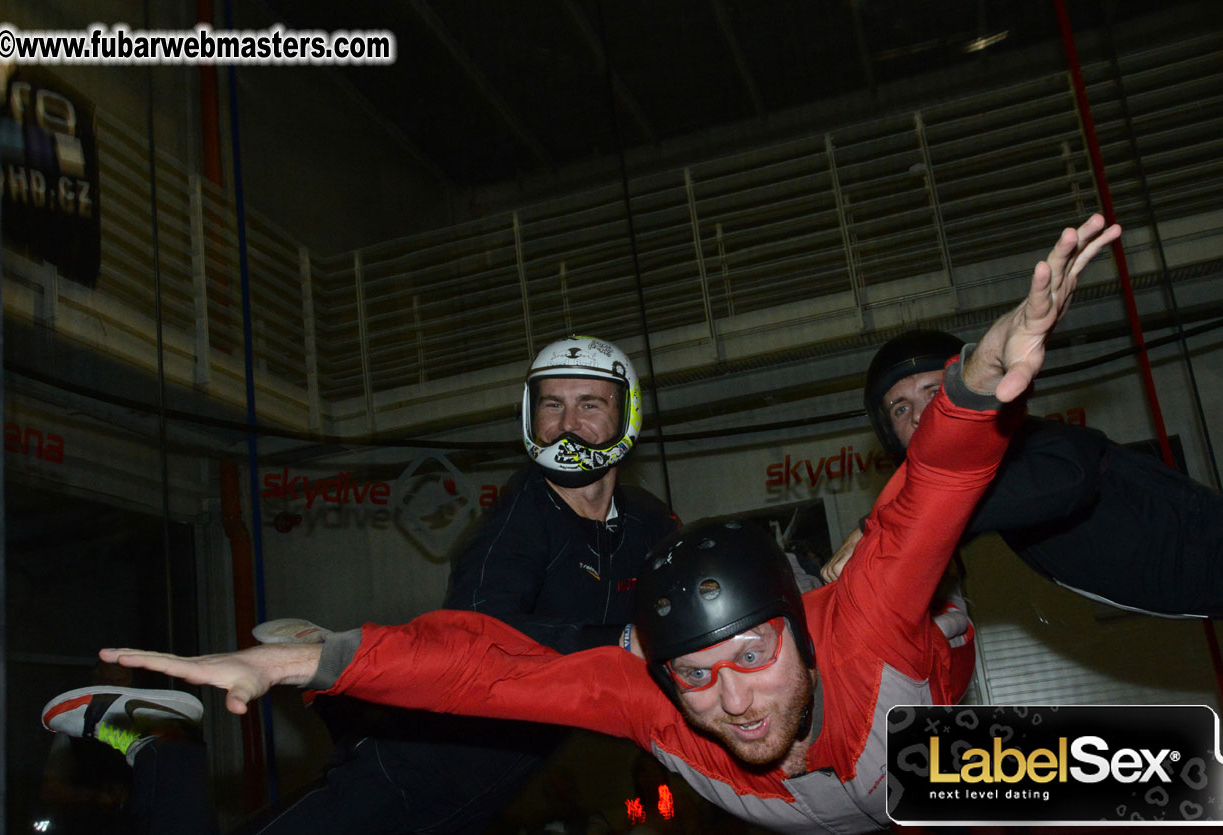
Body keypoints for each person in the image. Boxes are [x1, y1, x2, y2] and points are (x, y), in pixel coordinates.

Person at [70, 216, 1120, 834]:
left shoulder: (839, 626)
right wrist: (331, 664)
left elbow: (929, 488)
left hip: (906, 756)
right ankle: (169, 738)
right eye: (695, 671)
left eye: (749, 655)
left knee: (1163, 779)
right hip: (440, 761)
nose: (731, 700)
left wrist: (981, 376)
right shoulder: (653, 698)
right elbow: (484, 668)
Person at [46, 335, 676, 835]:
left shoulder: (645, 520)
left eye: (589, 403)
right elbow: (483, 644)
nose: (567, 421)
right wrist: (619, 640)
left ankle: (337, 686)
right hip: (405, 775)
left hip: (491, 793)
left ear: (624, 413)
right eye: (552, 404)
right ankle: (164, 745)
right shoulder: (518, 522)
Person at [824, 217, 1223, 617]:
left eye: (934, 392)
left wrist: (882, 526)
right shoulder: (982, 491)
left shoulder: (1038, 449)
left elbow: (1054, 484)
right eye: (900, 408)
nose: (919, 415)